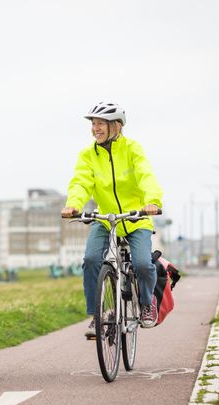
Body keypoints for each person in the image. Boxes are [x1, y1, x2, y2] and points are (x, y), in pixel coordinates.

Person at [61, 102, 163, 337]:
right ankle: (97, 314)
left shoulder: (132, 149)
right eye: (93, 124)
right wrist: (73, 204)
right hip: (106, 218)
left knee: (141, 264)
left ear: (116, 126)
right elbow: (81, 181)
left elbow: (146, 175)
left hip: (137, 218)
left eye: (100, 124)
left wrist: (153, 202)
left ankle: (147, 303)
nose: (95, 128)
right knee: (91, 259)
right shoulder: (88, 155)